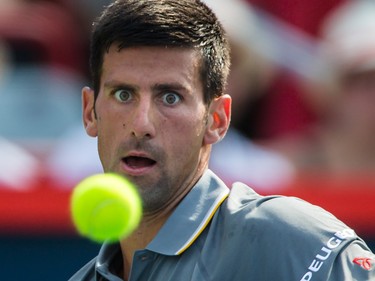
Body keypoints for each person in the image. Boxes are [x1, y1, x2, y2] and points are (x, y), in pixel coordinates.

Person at [68, 0, 375, 280]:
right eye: (123, 94)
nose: (141, 124)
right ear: (90, 112)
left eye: (170, 97)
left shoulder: (291, 238)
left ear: (217, 120)